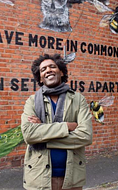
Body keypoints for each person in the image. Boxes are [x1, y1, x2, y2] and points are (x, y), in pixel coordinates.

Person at [21, 54, 93, 190]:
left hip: (72, 177)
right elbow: (29, 135)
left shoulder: (78, 99)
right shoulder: (32, 101)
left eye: (52, 67)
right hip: (39, 178)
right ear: (40, 78)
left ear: (61, 71)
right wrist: (67, 126)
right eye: (43, 69)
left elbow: (86, 136)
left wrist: (43, 135)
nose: (48, 70)